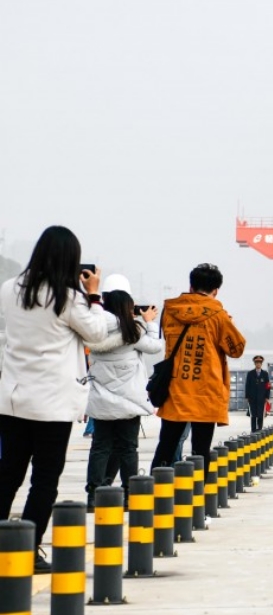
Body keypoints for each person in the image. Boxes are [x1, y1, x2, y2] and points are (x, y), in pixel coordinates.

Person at [0, 226, 108, 572]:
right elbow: (98, 334)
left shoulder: (8, 290)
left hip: (13, 399)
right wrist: (93, 294)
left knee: (8, 474)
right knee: (44, 479)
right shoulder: (68, 298)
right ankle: (28, 549)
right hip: (52, 405)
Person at [149, 263, 246, 473]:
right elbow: (236, 349)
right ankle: (196, 498)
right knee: (201, 451)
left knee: (166, 446)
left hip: (175, 389)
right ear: (216, 290)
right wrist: (229, 324)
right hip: (206, 391)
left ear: (191, 286)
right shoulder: (219, 316)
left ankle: (154, 494)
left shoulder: (170, 311)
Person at [83, 275, 163, 511]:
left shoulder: (94, 329)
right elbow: (156, 346)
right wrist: (148, 321)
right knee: (128, 449)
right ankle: (130, 495)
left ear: (104, 300)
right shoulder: (134, 330)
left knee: (99, 448)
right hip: (128, 403)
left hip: (101, 403)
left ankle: (93, 496)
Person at [245, 355, 270, 432]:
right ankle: (253, 430)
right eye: (256, 363)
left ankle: (259, 429)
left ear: (261, 364)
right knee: (253, 415)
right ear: (254, 364)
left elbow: (268, 386)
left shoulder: (265, 374)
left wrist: (267, 397)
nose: (258, 364)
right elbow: (247, 385)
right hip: (252, 398)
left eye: (259, 363)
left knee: (260, 414)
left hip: (261, 398)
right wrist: (247, 396)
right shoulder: (250, 373)